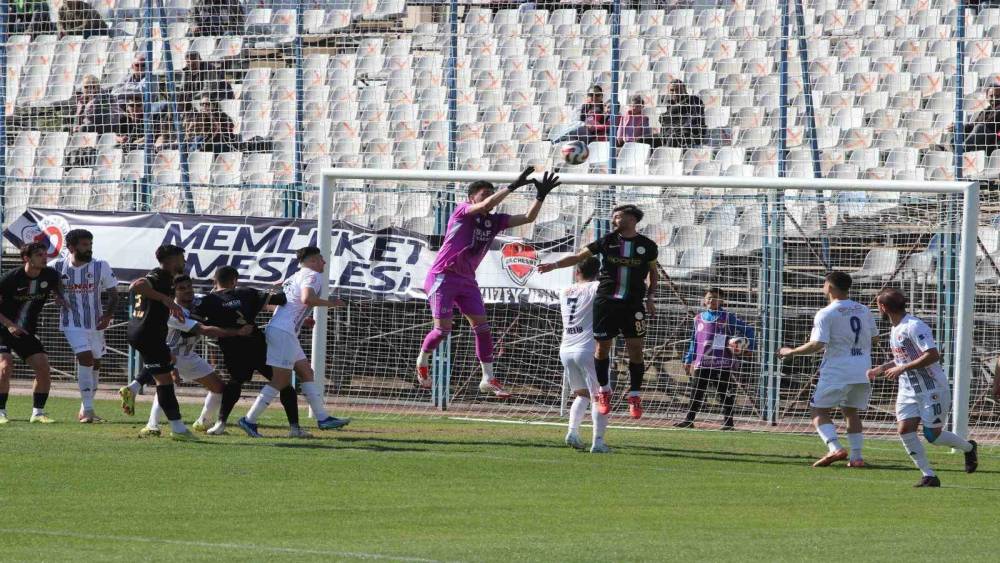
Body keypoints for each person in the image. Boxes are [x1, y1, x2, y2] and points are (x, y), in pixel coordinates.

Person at [414, 169, 561, 398]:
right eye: (485, 194)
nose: (489, 198)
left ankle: (487, 378)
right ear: (471, 197)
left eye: (491, 193)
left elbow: (528, 218)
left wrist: (540, 196)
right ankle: (422, 360)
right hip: (443, 276)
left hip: (467, 279)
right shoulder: (462, 211)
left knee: (482, 328)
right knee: (443, 330)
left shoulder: (494, 221)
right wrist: (512, 186)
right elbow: (485, 205)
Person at [538, 204, 659, 420]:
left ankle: (634, 395)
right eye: (613, 217)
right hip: (606, 302)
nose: (614, 220)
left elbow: (653, 273)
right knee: (602, 348)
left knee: (636, 350)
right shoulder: (606, 241)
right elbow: (578, 257)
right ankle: (603, 391)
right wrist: (554, 265)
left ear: (632, 219)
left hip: (633, 304)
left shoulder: (648, 246)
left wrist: (650, 297)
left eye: (618, 217)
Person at [867, 288, 978, 487]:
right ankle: (929, 475)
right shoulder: (896, 327)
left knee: (932, 436)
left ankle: (969, 448)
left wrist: (902, 368)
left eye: (877, 306)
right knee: (904, 429)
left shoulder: (914, 326)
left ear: (882, 307)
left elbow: (932, 355)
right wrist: (882, 368)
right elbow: (902, 358)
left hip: (931, 388)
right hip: (908, 390)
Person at [237, 247, 351, 437]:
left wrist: (302, 319)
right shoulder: (313, 275)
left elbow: (288, 303)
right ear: (312, 261)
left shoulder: (293, 276)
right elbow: (307, 299)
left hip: (284, 330)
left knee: (306, 372)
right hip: (283, 332)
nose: (324, 262)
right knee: (280, 380)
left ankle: (323, 418)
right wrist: (332, 303)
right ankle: (249, 420)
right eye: (320, 259)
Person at [194, 266, 307, 437]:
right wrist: (279, 288)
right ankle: (294, 427)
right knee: (283, 383)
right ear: (235, 281)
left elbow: (197, 325)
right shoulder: (246, 292)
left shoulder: (208, 301)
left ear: (214, 281)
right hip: (258, 346)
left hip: (232, 348)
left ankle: (220, 423)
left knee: (235, 382)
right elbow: (281, 299)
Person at [778, 272, 876, 468]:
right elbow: (874, 338)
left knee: (818, 410)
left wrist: (791, 352)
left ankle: (835, 448)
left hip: (837, 370)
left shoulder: (826, 313)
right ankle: (856, 458)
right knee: (851, 411)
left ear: (829, 287)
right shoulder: (864, 309)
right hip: (862, 369)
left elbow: (817, 344)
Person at [140, 275, 252, 437]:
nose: (188, 291)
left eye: (189, 287)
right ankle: (152, 425)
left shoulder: (198, 301)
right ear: (174, 293)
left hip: (189, 355)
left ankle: (203, 422)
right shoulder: (173, 312)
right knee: (166, 387)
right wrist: (237, 332)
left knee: (219, 388)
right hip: (172, 355)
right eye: (182, 288)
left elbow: (216, 299)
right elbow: (204, 330)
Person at [121, 244, 195, 441]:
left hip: (148, 334)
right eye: (182, 258)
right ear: (172, 260)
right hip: (147, 334)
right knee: (165, 381)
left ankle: (133, 389)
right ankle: (177, 429)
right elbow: (136, 285)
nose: (184, 262)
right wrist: (166, 300)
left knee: (166, 365)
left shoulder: (168, 278)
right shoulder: (159, 275)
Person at [51, 229, 118, 423]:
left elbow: (114, 295)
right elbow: (43, 284)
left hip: (96, 323)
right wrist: (56, 295)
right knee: (86, 358)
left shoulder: (100, 265)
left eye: (90, 245)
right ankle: (88, 410)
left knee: (95, 362)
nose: (89, 249)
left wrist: (108, 316)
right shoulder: (56, 266)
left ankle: (85, 407)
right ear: (71, 247)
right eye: (84, 245)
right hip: (71, 322)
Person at [0, 243, 66, 424]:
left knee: (43, 367)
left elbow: (57, 285)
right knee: (5, 367)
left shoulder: (50, 275)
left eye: (45, 254)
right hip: (3, 328)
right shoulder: (10, 278)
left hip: (25, 331)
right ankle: (1, 412)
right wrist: (10, 325)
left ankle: (38, 413)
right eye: (39, 255)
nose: (44, 258)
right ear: (26, 258)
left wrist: (59, 296)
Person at [675, 287, 755, 430]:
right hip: (702, 362)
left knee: (725, 393)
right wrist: (688, 359)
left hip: (722, 362)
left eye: (715, 297)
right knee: (696, 392)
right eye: (709, 297)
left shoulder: (728, 317)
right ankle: (689, 420)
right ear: (704, 300)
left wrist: (750, 347)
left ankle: (728, 423)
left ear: (722, 300)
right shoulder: (698, 318)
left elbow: (749, 329)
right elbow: (694, 341)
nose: (712, 300)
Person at [558, 257, 610, 453]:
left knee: (582, 394)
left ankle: (572, 432)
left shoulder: (564, 291)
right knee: (600, 395)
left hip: (566, 348)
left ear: (577, 272)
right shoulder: (596, 287)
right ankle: (598, 442)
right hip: (587, 348)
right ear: (597, 273)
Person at [657, 80, 706, 148]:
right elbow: (663, 120)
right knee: (645, 139)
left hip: (690, 135)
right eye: (672, 90)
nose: (675, 93)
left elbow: (692, 121)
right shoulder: (670, 104)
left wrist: (668, 116)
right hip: (668, 135)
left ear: (684, 90)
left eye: (677, 90)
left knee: (673, 138)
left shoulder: (694, 100)